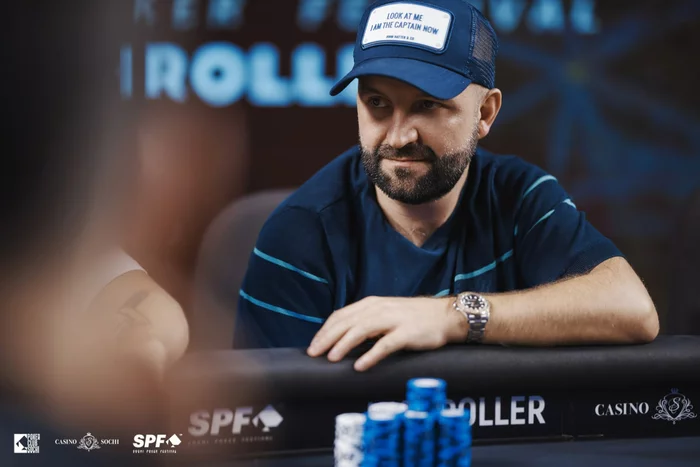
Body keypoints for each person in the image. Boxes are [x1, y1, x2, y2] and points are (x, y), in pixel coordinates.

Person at [233, 0, 659, 370]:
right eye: (377, 103)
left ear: (485, 113)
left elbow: (632, 308)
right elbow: (269, 419)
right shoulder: (301, 232)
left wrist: (453, 317)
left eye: (427, 105)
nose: (399, 136)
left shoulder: (520, 197)